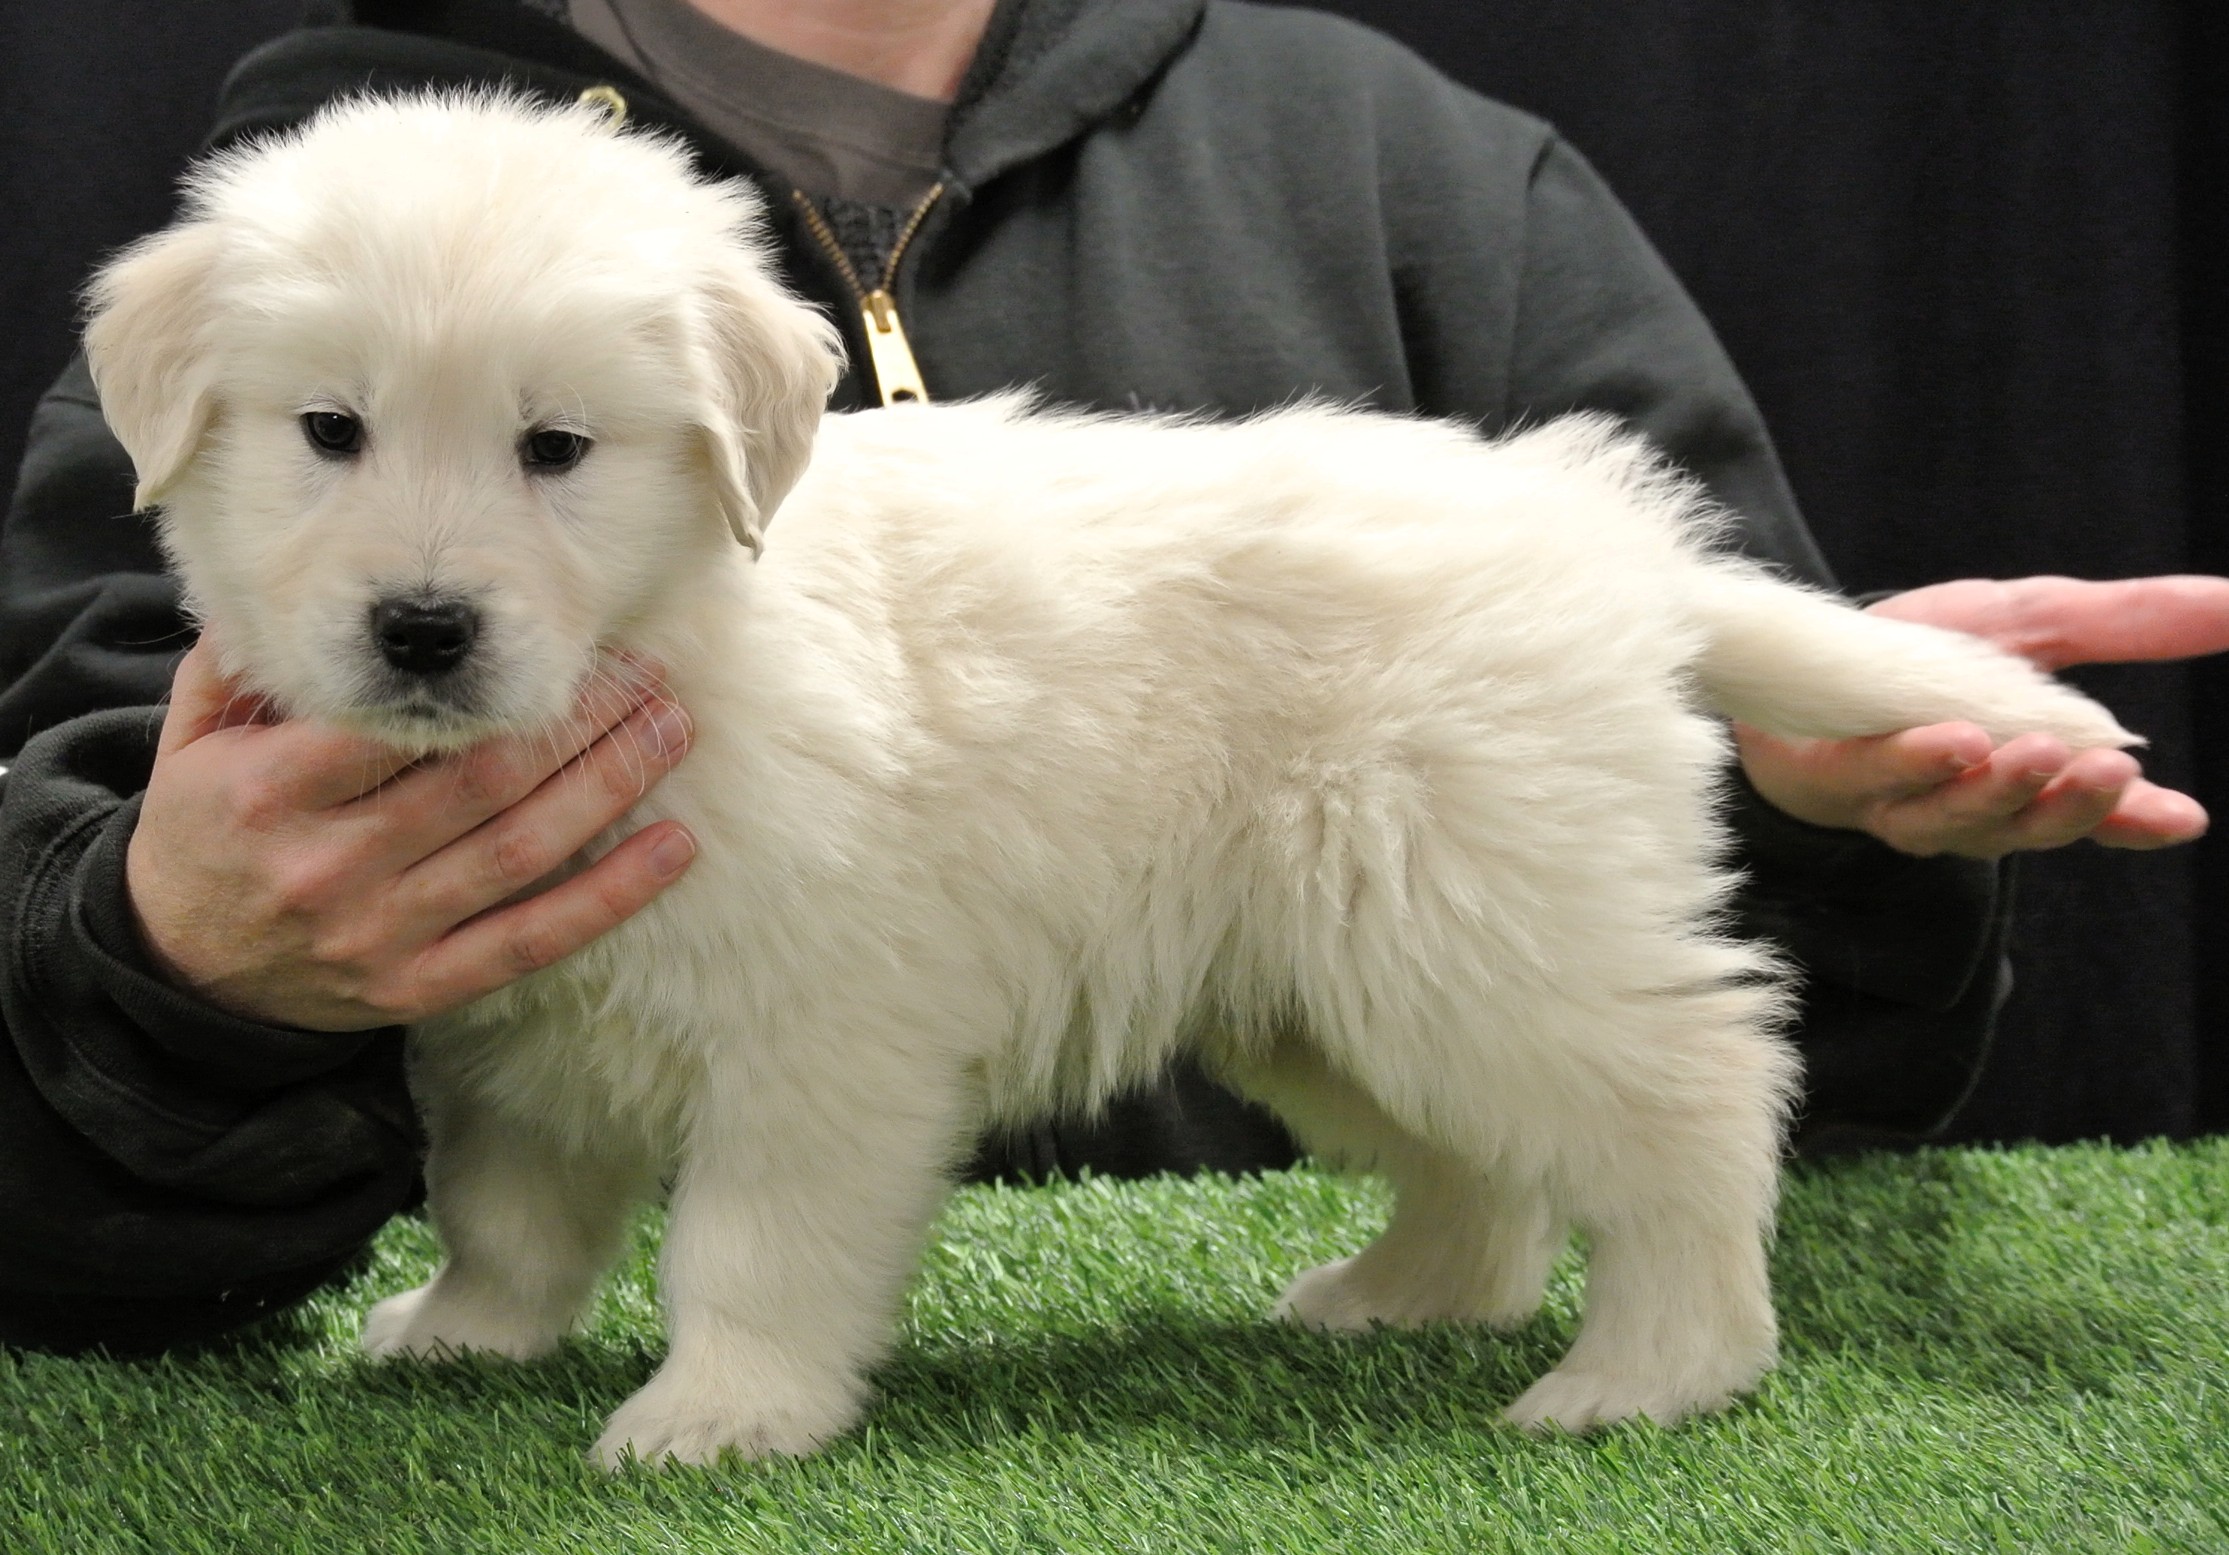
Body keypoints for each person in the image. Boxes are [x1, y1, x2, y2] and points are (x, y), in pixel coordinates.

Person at [2, 0, 2223, 1355]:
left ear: (727, 443)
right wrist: (156, 951)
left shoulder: (1402, 161)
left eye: (557, 453)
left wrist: (1826, 779)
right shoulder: (325, 176)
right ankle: (1455, 1247)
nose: (422, 571)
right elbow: (454, 1025)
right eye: (330, 435)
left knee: (1455, 982)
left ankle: (1677, 1289)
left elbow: (822, 1045)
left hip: (1374, 650)